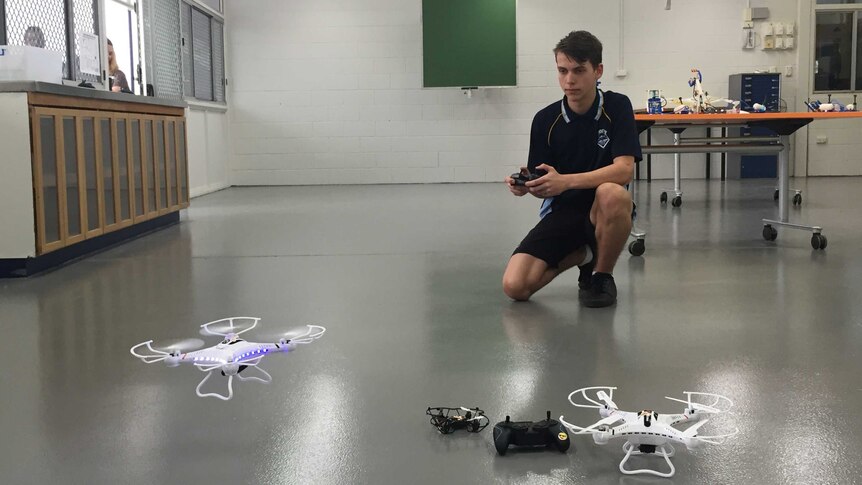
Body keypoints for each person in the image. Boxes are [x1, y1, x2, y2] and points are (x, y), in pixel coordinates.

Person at [502, 30, 642, 308]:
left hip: (605, 211)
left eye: (579, 70)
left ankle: (601, 276)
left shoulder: (617, 106)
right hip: (563, 212)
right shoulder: (545, 120)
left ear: (598, 70)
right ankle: (584, 255)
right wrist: (527, 186)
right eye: (562, 70)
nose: (569, 80)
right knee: (515, 287)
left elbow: (625, 170)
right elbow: (544, 184)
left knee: (612, 194)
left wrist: (566, 181)